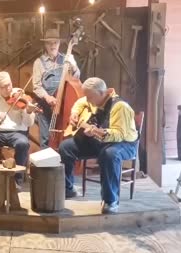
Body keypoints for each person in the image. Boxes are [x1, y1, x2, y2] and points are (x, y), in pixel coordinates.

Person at [58, 77, 138, 213]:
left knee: (109, 154)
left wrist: (97, 132)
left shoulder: (120, 107)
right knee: (66, 147)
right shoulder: (95, 99)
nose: (88, 101)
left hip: (124, 144)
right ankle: (68, 188)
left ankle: (110, 201)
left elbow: (119, 134)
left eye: (90, 97)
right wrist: (75, 113)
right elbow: (81, 101)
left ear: (102, 93)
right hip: (102, 141)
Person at [33, 28, 80, 148]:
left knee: (66, 138)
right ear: (45, 45)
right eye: (49, 43)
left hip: (64, 107)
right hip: (46, 107)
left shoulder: (67, 59)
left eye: (55, 42)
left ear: (59, 44)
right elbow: (36, 86)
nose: (52, 45)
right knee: (46, 139)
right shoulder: (39, 62)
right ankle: (46, 166)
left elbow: (76, 78)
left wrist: (74, 66)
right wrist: (47, 97)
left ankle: (64, 163)